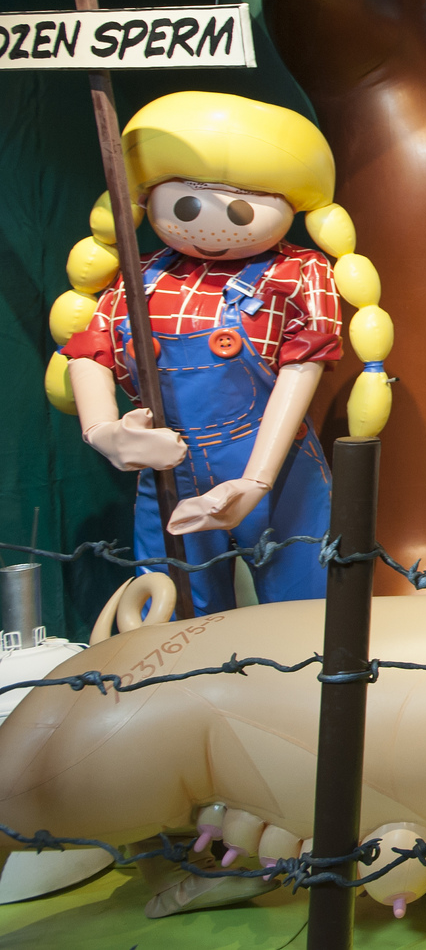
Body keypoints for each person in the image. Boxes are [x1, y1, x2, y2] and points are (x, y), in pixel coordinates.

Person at [54, 92, 389, 613]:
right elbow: (89, 351)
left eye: (239, 208)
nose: (211, 225)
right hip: (169, 468)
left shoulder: (297, 273)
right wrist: (103, 432)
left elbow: (301, 370)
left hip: (274, 465)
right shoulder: (139, 278)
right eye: (187, 205)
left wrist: (255, 481)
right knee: (174, 611)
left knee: (304, 607)